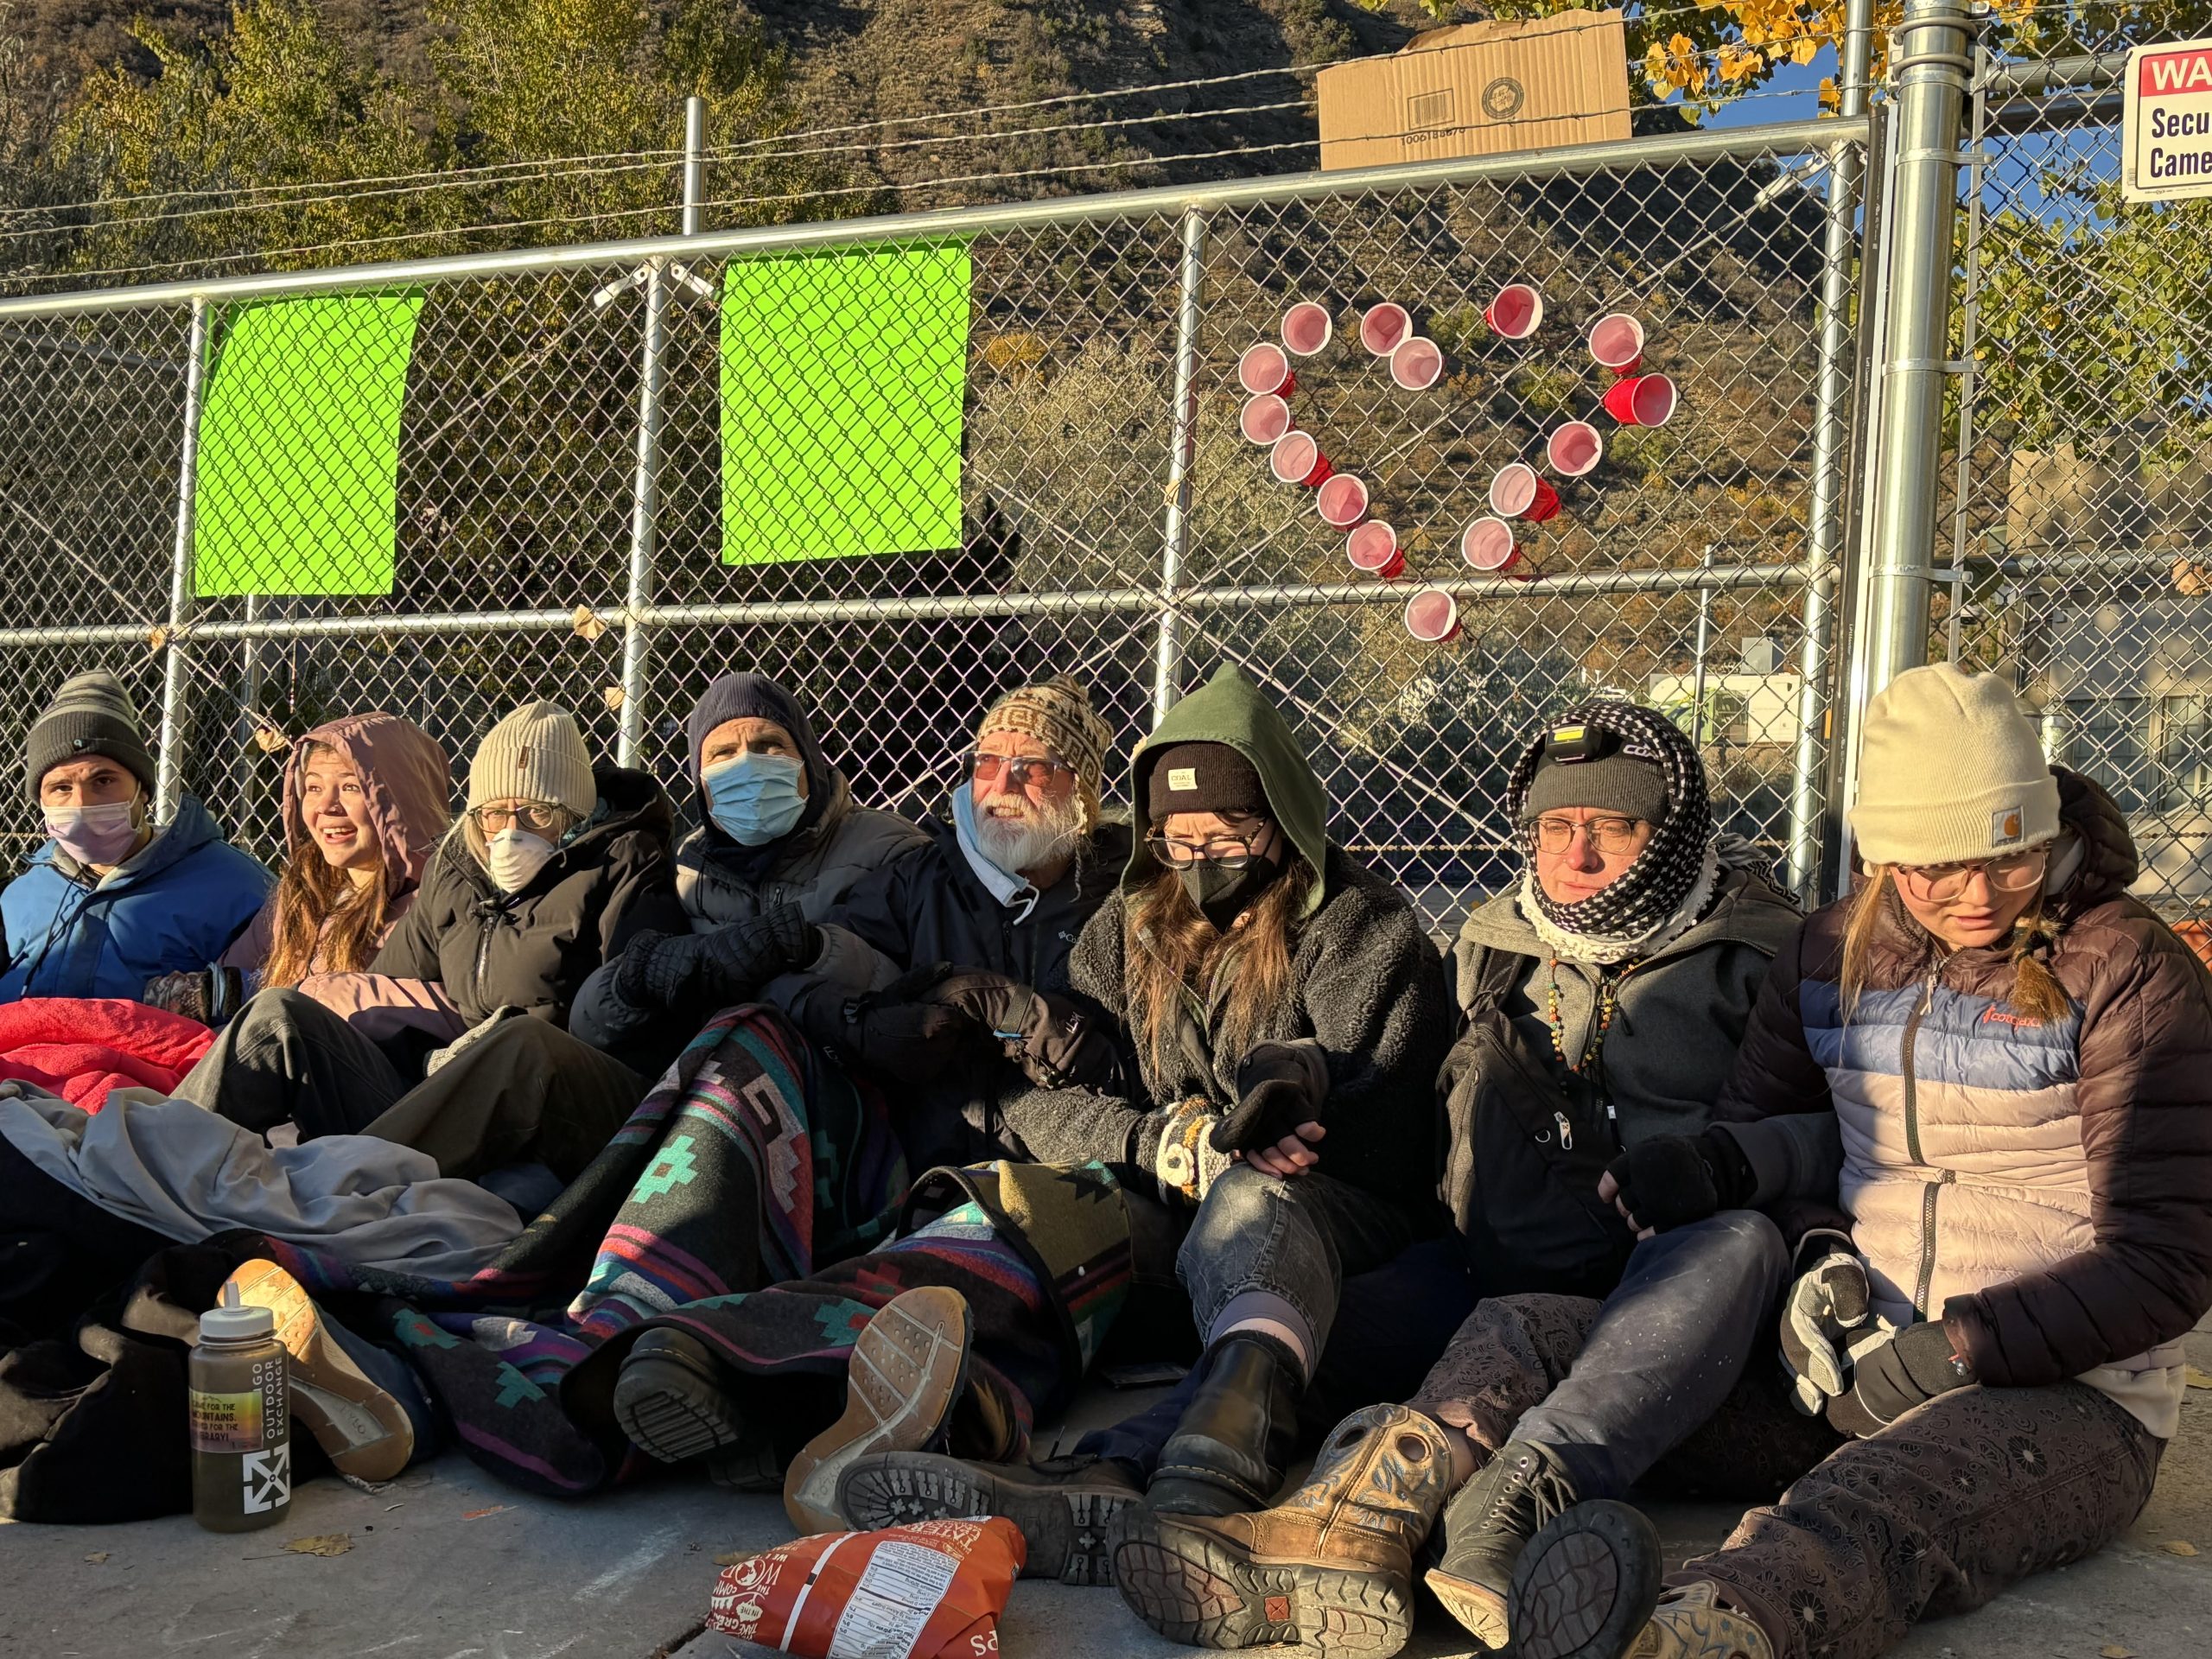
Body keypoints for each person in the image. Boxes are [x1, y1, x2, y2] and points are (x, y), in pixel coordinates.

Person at [1498, 664, 2212, 1659]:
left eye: (2011, 859)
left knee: (1873, 1500)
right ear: (1885, 858)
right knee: (1531, 1336)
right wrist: (1817, 1264)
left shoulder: (2130, 968)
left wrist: (1956, 1349)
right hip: (1843, 1356)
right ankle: (1391, 1527)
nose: (1975, 896)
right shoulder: (1829, 950)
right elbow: (1775, 1146)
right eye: (1934, 868)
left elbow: (2166, 1262)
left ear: (2045, 828)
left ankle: (1695, 1634)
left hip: (2064, 1395)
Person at [1092, 702, 1808, 1651]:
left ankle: (1453, 1534)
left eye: (1612, 829)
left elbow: (1816, 1130)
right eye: (1556, 828)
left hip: (1663, 1285)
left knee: (1740, 1240)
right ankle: (1129, 1481)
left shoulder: (1762, 953)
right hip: (1482, 1263)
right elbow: (1403, 1105)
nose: (1577, 855)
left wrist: (1716, 1169)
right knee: (1297, 1327)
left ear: (1668, 834)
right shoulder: (1489, 941)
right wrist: (1300, 1073)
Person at [837, 663, 1460, 1579]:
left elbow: (1389, 1137)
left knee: (1260, 1202)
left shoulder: (1364, 929)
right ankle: (807, 1375)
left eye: (1228, 834)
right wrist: (1158, 1144)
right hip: (1175, 1214)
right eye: (1177, 840)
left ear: (1279, 822)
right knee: (1024, 1213)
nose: (1200, 860)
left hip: (1340, 1223)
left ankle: (1181, 1479)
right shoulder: (1126, 929)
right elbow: (1040, 1101)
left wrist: (1267, 1135)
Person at [606, 673, 1133, 1504]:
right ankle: (638, 1299)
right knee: (751, 1040)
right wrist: (867, 1018)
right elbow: (804, 976)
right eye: (986, 764)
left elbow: (1142, 1067)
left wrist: (1022, 1016)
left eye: (1034, 768)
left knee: (990, 1245)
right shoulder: (922, 878)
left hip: (1061, 1169)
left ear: (1084, 789)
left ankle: (755, 1379)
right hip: (905, 1152)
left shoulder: (1130, 898)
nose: (1002, 788)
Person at [173, 701, 684, 1179]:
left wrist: (465, 1035)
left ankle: (338, 1183)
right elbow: (391, 984)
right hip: (441, 1087)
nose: (511, 831)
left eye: (537, 813)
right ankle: (157, 1158)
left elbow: (622, 1015)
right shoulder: (458, 869)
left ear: (575, 818)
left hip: (569, 1100)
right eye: (494, 813)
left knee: (522, 1040)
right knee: (279, 1014)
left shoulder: (623, 865)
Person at [568, 670, 926, 1059]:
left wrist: (815, 949)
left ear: (808, 760)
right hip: (698, 1077)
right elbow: (589, 1026)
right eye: (723, 754)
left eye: (769, 744)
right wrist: (636, 979)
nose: (748, 765)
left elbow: (921, 991)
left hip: (841, 1077)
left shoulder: (890, 848)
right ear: (700, 781)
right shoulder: (683, 868)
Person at [143, 713, 453, 1024]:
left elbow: (463, 1016)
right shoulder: (303, 890)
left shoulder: (435, 904)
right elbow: (238, 973)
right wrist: (219, 992)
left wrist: (312, 996)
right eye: (314, 788)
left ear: (401, 800)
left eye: (351, 787)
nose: (326, 806)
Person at [1, 671, 270, 1001]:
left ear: (142, 790)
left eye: (103, 781)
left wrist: (215, 998)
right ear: (41, 801)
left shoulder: (236, 885)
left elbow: (291, 989)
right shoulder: (22, 894)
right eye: (61, 788)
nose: (82, 803)